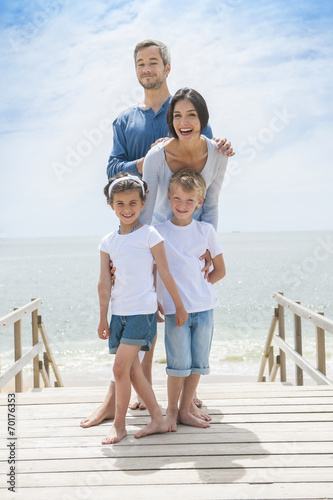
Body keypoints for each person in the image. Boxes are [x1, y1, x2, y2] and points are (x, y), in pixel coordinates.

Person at [80, 39, 232, 428]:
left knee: (171, 311)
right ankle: (117, 398)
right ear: (136, 70)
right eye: (140, 63)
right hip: (132, 228)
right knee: (132, 307)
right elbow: (113, 169)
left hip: (175, 235)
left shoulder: (185, 112)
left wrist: (203, 239)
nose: (147, 69)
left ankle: (180, 398)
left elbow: (204, 179)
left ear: (167, 66)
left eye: (153, 62)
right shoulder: (124, 120)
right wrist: (145, 158)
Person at [97, 173, 188, 444]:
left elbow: (165, 272)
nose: (127, 209)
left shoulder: (150, 234)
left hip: (142, 312)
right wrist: (103, 318)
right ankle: (158, 419)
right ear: (111, 205)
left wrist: (179, 307)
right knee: (133, 371)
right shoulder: (107, 242)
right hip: (119, 314)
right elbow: (104, 282)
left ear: (143, 203)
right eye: (121, 203)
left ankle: (119, 424)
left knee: (119, 369)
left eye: (133, 203)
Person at [155, 169, 226, 431]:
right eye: (177, 199)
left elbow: (220, 269)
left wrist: (200, 286)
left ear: (200, 202)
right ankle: (172, 410)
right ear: (169, 197)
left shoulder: (206, 230)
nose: (182, 205)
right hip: (175, 310)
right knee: (177, 364)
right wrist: (156, 300)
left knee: (198, 362)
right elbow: (151, 270)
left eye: (189, 200)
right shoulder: (157, 231)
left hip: (205, 308)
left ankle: (186, 409)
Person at [140, 87, 228, 231]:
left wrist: (209, 246)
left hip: (196, 238)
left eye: (191, 115)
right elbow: (146, 212)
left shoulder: (219, 154)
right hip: (160, 236)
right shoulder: (155, 156)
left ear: (202, 118)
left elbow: (211, 206)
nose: (183, 122)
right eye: (177, 116)